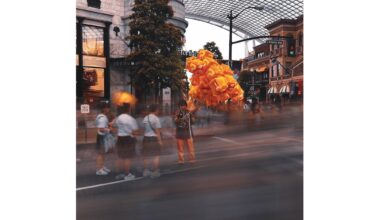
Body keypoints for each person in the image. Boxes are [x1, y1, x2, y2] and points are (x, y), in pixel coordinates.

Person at [112, 103, 139, 181]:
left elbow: (113, 126)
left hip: (120, 138)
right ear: (128, 109)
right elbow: (135, 131)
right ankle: (127, 174)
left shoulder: (118, 118)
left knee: (120, 156)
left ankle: (120, 173)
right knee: (128, 157)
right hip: (128, 139)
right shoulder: (130, 119)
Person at [142, 104, 163, 178]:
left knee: (145, 155)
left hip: (146, 138)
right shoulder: (156, 119)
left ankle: (146, 171)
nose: (158, 111)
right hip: (153, 138)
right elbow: (158, 131)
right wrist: (160, 141)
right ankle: (155, 171)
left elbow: (144, 129)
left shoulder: (145, 118)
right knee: (155, 156)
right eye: (158, 110)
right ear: (156, 110)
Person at [174, 100, 196, 164]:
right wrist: (180, 118)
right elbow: (175, 121)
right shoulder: (177, 113)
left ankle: (192, 159)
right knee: (180, 148)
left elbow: (193, 122)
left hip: (188, 132)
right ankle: (181, 160)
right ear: (179, 106)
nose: (183, 107)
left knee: (190, 147)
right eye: (181, 106)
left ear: (186, 106)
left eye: (184, 106)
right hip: (180, 133)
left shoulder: (189, 112)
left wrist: (191, 117)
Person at [95, 102, 112, 175]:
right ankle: (99, 169)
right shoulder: (102, 118)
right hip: (102, 137)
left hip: (101, 136)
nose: (109, 109)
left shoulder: (100, 116)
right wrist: (109, 130)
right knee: (101, 154)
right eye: (108, 108)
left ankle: (102, 167)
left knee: (102, 153)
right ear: (104, 109)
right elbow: (101, 129)